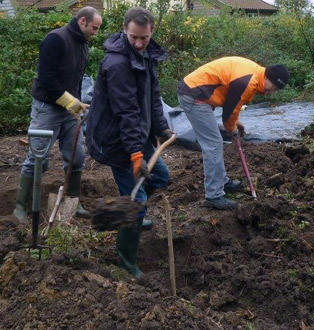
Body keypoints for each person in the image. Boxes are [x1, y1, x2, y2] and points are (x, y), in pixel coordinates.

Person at [86, 7, 172, 279]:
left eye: (144, 38)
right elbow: (126, 112)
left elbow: (153, 96)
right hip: (116, 140)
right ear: (124, 30)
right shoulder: (117, 64)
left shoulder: (147, 56)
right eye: (134, 37)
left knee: (161, 175)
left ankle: (131, 210)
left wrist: (161, 127)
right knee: (139, 199)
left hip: (137, 134)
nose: (138, 43)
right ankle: (125, 260)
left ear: (151, 33)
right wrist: (136, 153)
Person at [13, 7, 102, 224]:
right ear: (82, 21)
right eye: (94, 28)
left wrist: (77, 103)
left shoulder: (82, 45)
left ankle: (72, 201)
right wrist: (70, 102)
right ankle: (20, 207)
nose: (96, 33)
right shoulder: (55, 39)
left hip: (69, 112)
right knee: (37, 157)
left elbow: (77, 79)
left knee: (76, 157)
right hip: (47, 109)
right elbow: (46, 79)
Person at [177, 56, 290, 210]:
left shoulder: (255, 74)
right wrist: (232, 129)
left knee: (215, 142)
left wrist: (234, 124)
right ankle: (214, 195)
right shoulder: (248, 81)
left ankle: (222, 182)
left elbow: (232, 106)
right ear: (269, 78)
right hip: (194, 95)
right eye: (274, 87)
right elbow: (228, 115)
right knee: (213, 144)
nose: (272, 92)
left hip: (199, 93)